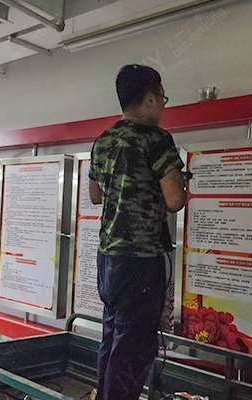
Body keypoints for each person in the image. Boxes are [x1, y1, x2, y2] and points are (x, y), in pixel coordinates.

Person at [89, 64, 187, 400]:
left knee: (112, 338)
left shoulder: (103, 140)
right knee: (133, 351)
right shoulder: (156, 139)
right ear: (149, 99)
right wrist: (178, 183)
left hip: (108, 260)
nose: (163, 106)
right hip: (141, 261)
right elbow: (174, 200)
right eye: (162, 98)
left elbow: (95, 195)